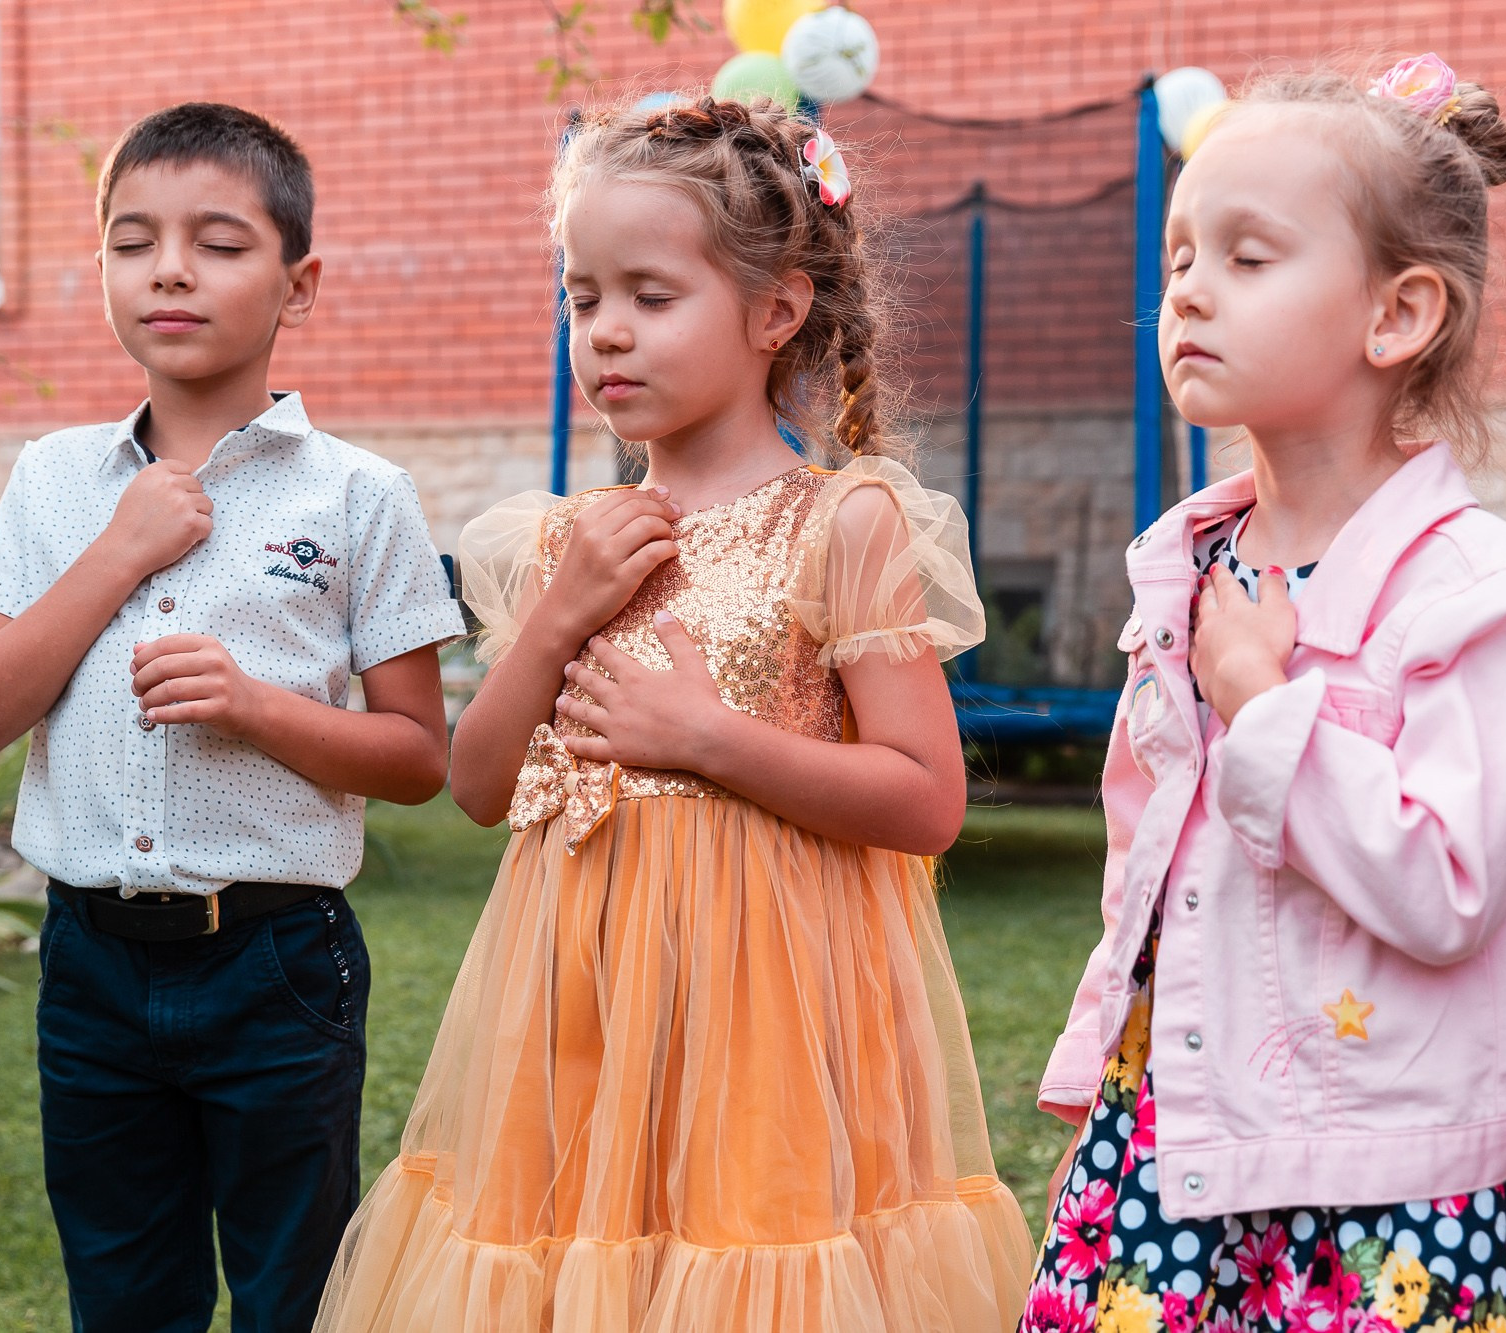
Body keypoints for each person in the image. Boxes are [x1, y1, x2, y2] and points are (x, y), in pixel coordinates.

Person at [315, 96, 1033, 1333]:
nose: (606, 335)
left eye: (651, 296)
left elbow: (926, 799)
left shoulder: (844, 522)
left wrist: (707, 739)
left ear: (773, 312)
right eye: (582, 297)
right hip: (575, 997)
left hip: (769, 1004)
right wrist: (556, 616)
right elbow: (477, 784)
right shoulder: (558, 541)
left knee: (745, 1263)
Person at [1021, 57, 1506, 1333]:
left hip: (1373, 1188)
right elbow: (1149, 866)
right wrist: (1107, 1096)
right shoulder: (1191, 563)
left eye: (1246, 257)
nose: (1186, 292)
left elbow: (1443, 887)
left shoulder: (1467, 590)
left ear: (1395, 316)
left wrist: (1264, 703)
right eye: (1177, 259)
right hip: (1172, 1137)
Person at [0, 102, 466, 1333]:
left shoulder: (357, 494)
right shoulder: (53, 479)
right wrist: (117, 557)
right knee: (123, 1292)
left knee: (294, 1292)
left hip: (277, 965)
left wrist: (254, 708)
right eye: (134, 241)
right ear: (105, 271)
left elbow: (416, 758)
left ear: (300, 281)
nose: (170, 267)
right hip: (88, 966)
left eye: (220, 242)